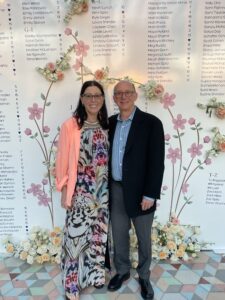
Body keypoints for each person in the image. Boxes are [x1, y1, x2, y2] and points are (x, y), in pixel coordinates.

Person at [107, 80, 165, 300]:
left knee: (143, 237)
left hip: (142, 193)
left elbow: (156, 162)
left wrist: (150, 193)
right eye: (118, 93)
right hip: (116, 189)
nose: (123, 96)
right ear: (114, 98)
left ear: (135, 95)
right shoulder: (110, 123)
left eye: (127, 92)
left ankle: (143, 275)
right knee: (119, 234)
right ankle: (121, 271)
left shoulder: (151, 123)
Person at [55, 80, 109, 300]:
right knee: (75, 238)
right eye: (88, 95)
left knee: (98, 235)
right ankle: (72, 285)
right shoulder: (71, 125)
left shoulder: (108, 125)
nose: (93, 100)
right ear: (82, 98)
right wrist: (63, 188)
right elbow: (61, 160)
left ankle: (94, 276)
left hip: (103, 192)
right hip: (80, 191)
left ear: (103, 99)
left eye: (97, 95)